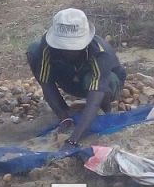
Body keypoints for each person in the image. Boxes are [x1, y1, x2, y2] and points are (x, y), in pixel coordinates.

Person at [27, 8, 127, 147]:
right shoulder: (46, 47)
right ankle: (65, 113)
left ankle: (107, 110)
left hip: (102, 85)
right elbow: (47, 84)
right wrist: (65, 118)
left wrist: (74, 139)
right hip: (70, 80)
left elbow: (94, 99)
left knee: (99, 82)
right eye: (64, 47)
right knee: (33, 50)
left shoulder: (99, 52)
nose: (69, 51)